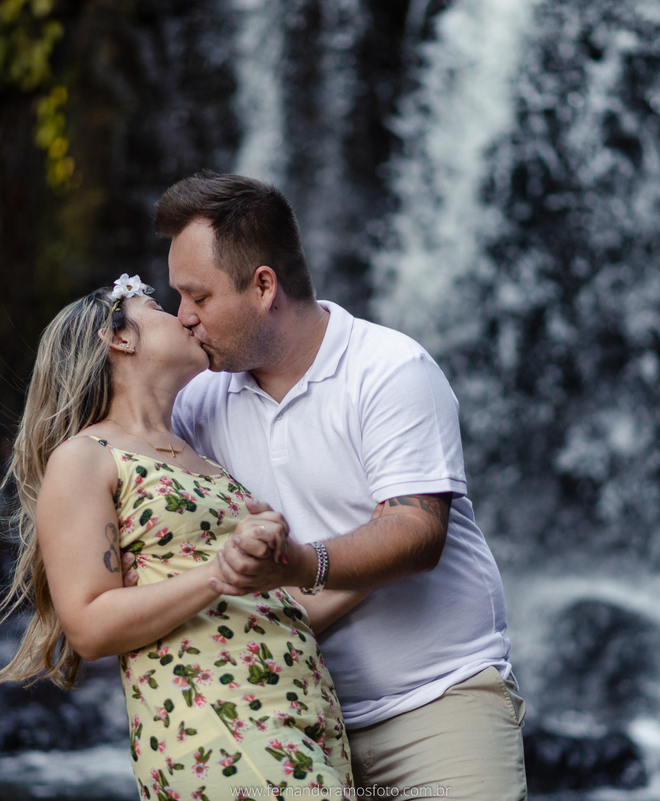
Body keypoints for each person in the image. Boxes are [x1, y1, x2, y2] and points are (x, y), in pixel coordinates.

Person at [125, 171, 527, 800]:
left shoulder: (389, 369)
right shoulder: (198, 401)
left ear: (264, 286)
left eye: (198, 297)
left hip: (434, 703)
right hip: (286, 717)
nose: (184, 318)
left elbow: (418, 531)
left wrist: (296, 564)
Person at [0, 275, 364, 800]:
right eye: (160, 307)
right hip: (216, 727)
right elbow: (89, 624)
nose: (186, 316)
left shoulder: (205, 461)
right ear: (119, 338)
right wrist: (218, 572)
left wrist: (395, 551)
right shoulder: (85, 457)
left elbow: (271, 607)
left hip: (305, 713)